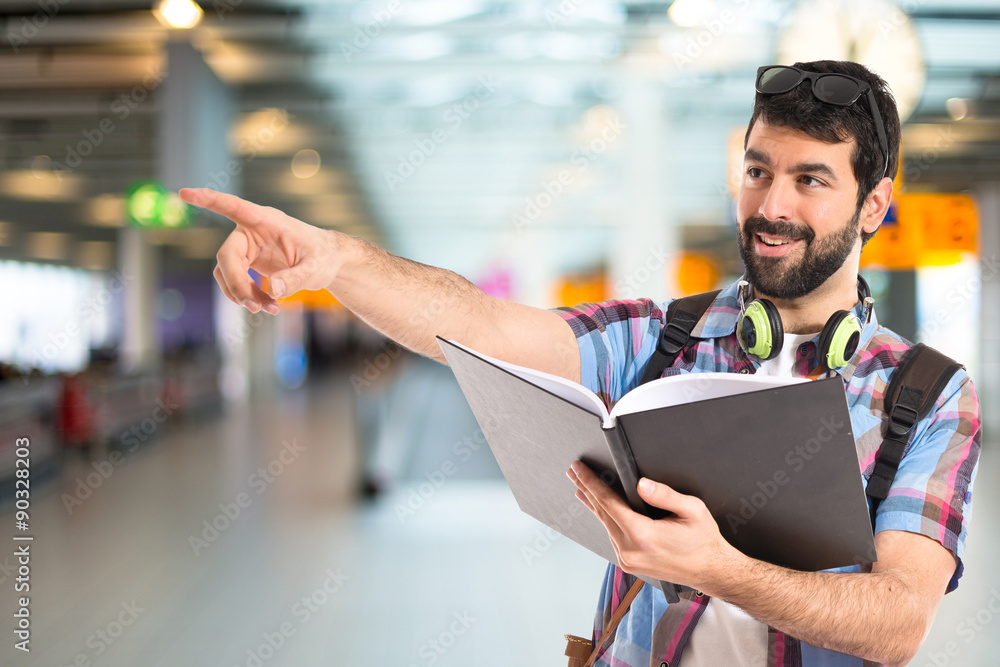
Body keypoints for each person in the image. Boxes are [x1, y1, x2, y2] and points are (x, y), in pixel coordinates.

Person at [182, 59, 981, 667]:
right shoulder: (662, 339)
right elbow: (478, 322)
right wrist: (338, 260)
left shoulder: (926, 396)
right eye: (758, 170)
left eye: (810, 180)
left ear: (874, 205)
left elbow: (898, 619)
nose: (771, 207)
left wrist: (717, 567)